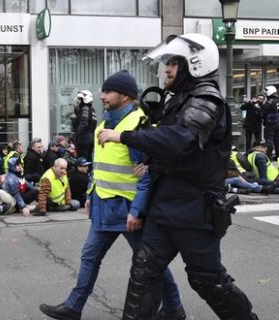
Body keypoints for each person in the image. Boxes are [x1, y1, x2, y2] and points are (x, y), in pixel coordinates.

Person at [96, 34, 258, 319]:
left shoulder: (206, 100)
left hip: (194, 210)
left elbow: (179, 141)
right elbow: (169, 148)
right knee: (144, 272)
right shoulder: (179, 101)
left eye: (173, 63)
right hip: (164, 207)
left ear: (194, 63)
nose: (167, 69)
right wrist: (148, 159)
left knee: (207, 280)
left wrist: (124, 136)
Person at [41, 70, 184, 320]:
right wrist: (90, 193)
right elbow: (100, 163)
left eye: (108, 91)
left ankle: (174, 308)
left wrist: (137, 211)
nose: (102, 95)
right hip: (103, 204)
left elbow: (146, 175)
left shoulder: (138, 125)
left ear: (125, 97)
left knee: (150, 264)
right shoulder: (105, 122)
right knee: (90, 257)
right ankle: (74, 307)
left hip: (129, 211)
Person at [71, 90, 97, 161]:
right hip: (90, 138)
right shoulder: (92, 109)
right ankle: (89, 172)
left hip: (83, 139)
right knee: (89, 159)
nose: (79, 101)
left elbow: (84, 123)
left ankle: (84, 172)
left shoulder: (85, 108)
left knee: (82, 161)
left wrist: (76, 134)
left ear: (86, 99)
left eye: (80, 99)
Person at [262, 85, 279, 160]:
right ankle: (277, 156)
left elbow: (263, 112)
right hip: (278, 122)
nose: (265, 94)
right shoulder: (278, 100)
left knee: (269, 139)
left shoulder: (270, 101)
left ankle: (269, 156)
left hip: (271, 123)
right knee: (277, 139)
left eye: (266, 92)